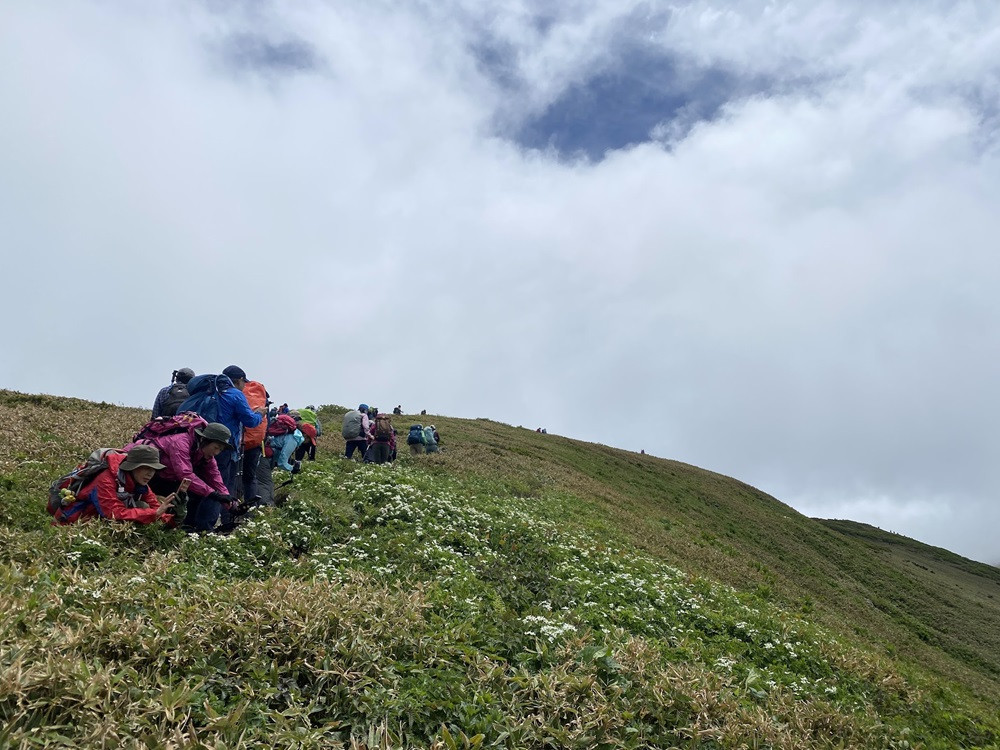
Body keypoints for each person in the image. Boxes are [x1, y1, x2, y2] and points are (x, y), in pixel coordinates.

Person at [131, 421, 233, 532]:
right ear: (205, 440)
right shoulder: (180, 442)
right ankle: (146, 528)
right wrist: (213, 494)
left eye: (220, 450)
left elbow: (215, 476)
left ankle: (181, 529)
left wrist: (229, 502)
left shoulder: (205, 454)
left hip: (164, 476)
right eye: (216, 447)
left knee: (184, 499)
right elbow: (185, 474)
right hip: (143, 471)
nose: (217, 452)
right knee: (145, 503)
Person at [64, 445, 176, 526]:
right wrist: (153, 513)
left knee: (144, 508)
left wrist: (174, 519)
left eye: (154, 469)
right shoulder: (105, 480)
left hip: (100, 523)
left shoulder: (140, 482)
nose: (150, 473)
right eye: (146, 468)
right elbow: (113, 513)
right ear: (133, 467)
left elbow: (156, 508)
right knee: (143, 508)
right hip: (74, 524)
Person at [240, 379, 269, 503]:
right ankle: (251, 509)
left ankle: (230, 508)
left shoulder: (239, 394)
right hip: (256, 443)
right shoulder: (261, 396)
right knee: (250, 477)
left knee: (232, 476)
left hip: (239, 442)